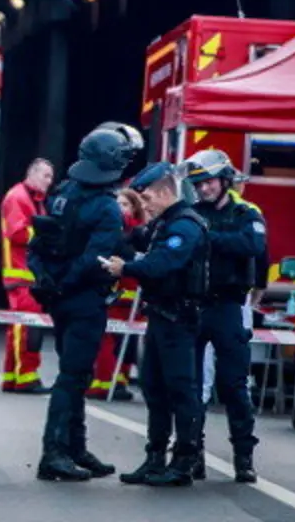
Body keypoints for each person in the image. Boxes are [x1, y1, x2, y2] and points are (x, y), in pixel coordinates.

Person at [28, 127, 138, 481]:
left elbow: (39, 243)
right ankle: (54, 453)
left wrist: (48, 281)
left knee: (74, 373)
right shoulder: (107, 207)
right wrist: (66, 285)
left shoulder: (63, 193)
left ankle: (75, 447)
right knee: (73, 376)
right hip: (84, 299)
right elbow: (95, 258)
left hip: (59, 299)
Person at [104, 162, 209, 487]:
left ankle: (184, 461)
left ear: (165, 192)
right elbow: (136, 240)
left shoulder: (186, 226)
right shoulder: (164, 223)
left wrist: (128, 268)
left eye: (147, 197)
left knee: (181, 391)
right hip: (161, 316)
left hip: (180, 319)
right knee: (153, 388)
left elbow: (164, 262)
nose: (144, 204)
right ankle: (154, 458)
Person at [182, 149, 263, 483]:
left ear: (225, 180)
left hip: (229, 307)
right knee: (191, 386)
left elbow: (252, 246)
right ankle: (192, 455)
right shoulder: (191, 214)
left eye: (209, 182)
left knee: (233, 385)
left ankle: (243, 457)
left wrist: (208, 239)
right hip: (197, 306)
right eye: (198, 184)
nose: (203, 189)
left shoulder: (245, 213)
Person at [0, 158, 54, 394]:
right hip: (22, 274)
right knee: (28, 328)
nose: (49, 182)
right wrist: (48, 235)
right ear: (31, 174)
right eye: (45, 176)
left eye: (51, 177)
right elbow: (18, 233)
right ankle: (26, 377)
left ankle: (12, 376)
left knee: (20, 328)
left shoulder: (32, 199)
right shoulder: (19, 197)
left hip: (25, 275)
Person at [87, 188, 146, 401]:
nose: (120, 209)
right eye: (118, 204)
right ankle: (109, 381)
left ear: (134, 208)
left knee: (118, 340)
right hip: (118, 292)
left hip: (128, 293)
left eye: (125, 205)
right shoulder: (118, 229)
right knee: (112, 339)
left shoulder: (135, 232)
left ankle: (113, 381)